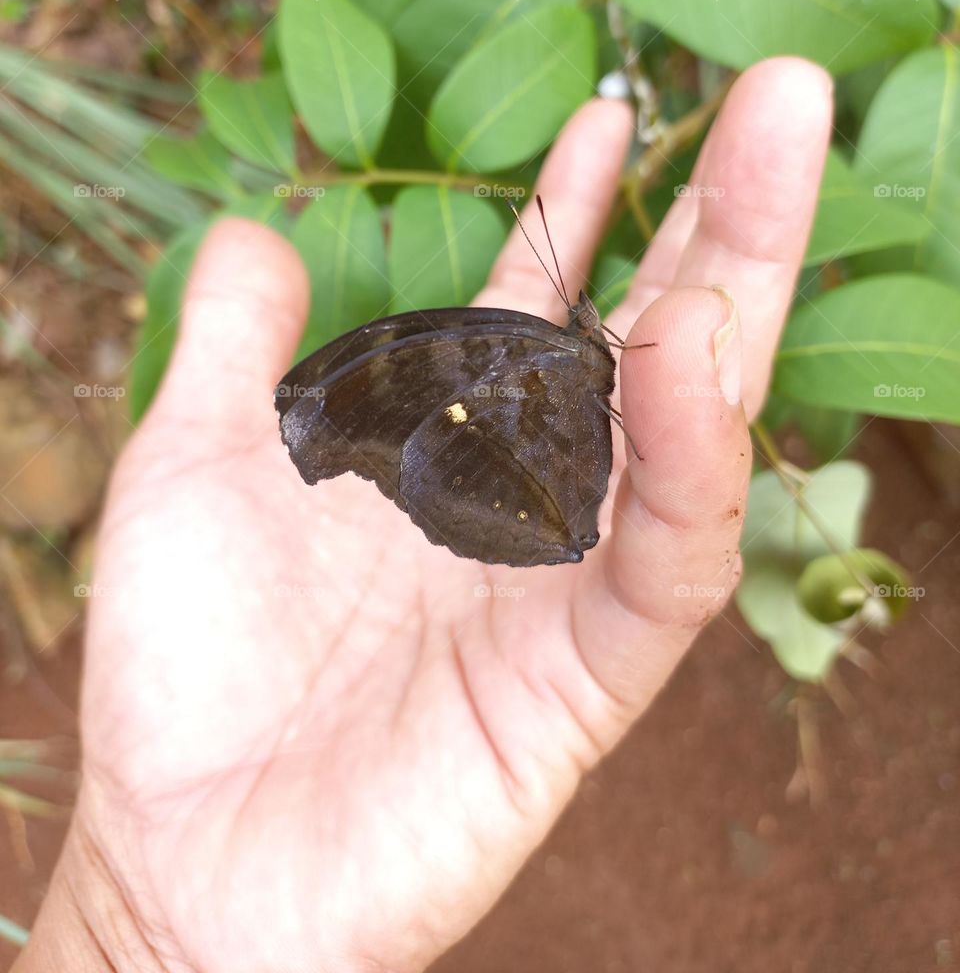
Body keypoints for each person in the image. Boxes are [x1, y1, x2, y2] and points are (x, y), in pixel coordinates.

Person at [15, 56, 832, 973]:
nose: (588, 324)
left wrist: (133, 939)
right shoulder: (544, 351)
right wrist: (128, 932)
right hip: (503, 492)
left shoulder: (560, 352)